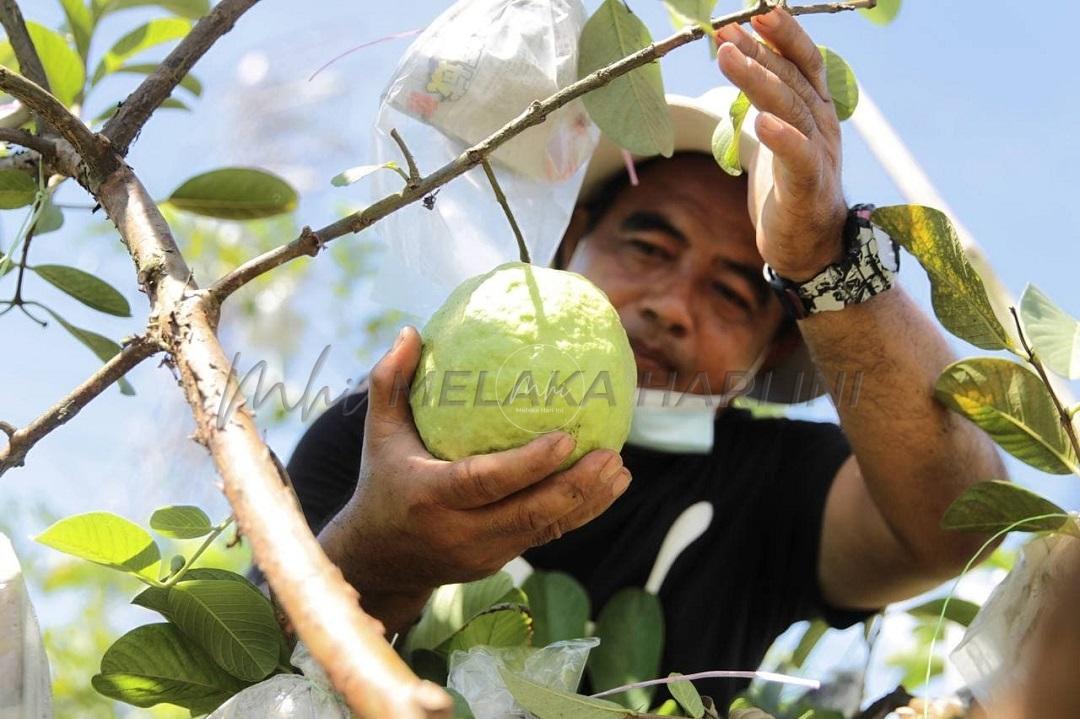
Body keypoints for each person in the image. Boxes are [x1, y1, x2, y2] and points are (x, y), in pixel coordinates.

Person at [282, 8, 1004, 708]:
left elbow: (960, 526)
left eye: (730, 293)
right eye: (650, 247)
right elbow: (248, 673)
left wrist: (820, 256)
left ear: (771, 345)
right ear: (573, 244)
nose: (672, 305)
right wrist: (379, 558)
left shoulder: (768, 483)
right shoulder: (383, 437)